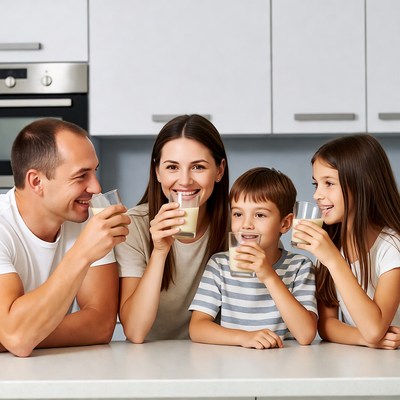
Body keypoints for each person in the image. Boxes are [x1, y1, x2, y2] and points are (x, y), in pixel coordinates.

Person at [0, 118, 130, 357]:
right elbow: (18, 337)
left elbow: (100, 325)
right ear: (36, 181)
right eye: (81, 176)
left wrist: (18, 334)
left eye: (94, 172)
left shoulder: (88, 217)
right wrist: (82, 253)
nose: (96, 188)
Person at [116, 114, 228, 343]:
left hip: (220, 355)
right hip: (151, 361)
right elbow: (135, 332)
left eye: (198, 167)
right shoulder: (133, 226)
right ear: (157, 171)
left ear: (219, 170)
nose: (185, 180)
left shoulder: (240, 226)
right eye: (172, 167)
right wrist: (159, 251)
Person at [189, 167, 318, 349]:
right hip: (232, 365)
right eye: (238, 214)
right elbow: (197, 328)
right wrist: (244, 338)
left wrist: (268, 275)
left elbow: (305, 335)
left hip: (283, 364)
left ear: (285, 223)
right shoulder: (220, 265)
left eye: (260, 215)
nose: (246, 225)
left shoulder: (300, 266)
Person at [293, 134, 400, 350]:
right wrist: (364, 339)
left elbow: (373, 328)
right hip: (369, 359)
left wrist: (332, 259)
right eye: (316, 184)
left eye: (329, 183)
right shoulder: (332, 242)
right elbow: (325, 324)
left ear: (363, 184)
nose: (317, 195)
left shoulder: (392, 246)